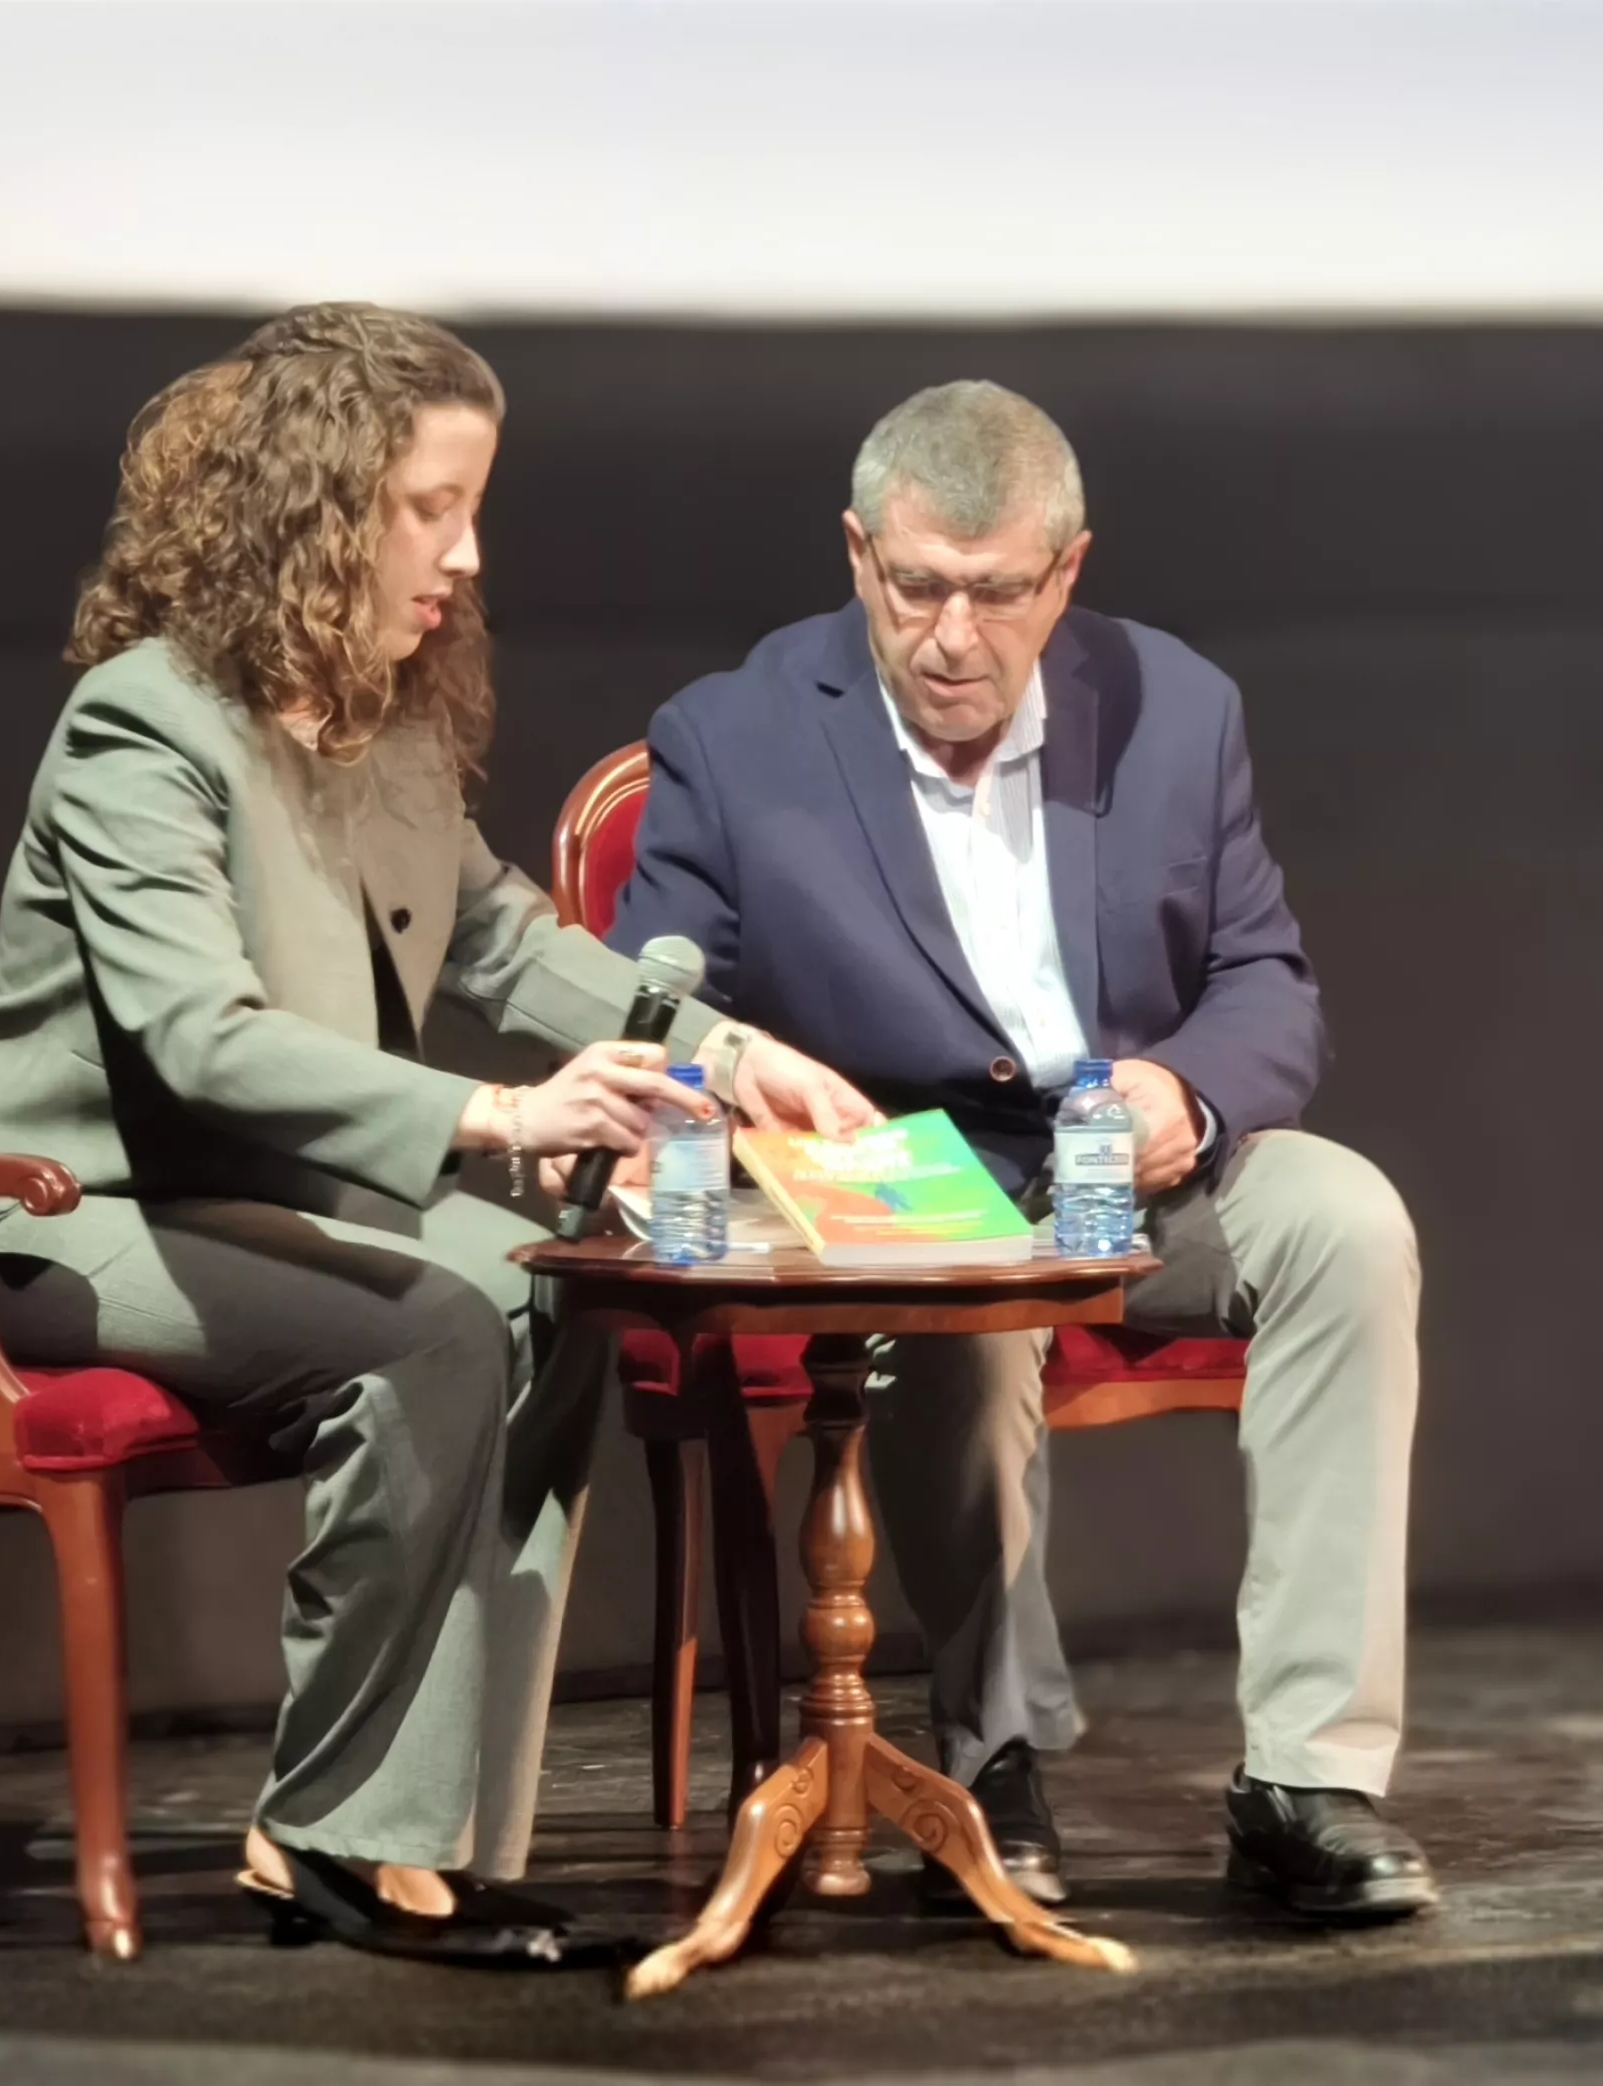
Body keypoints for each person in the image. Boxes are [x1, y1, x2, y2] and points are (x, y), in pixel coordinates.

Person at [0, 305, 871, 1965]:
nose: (467, 555)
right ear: (322, 503)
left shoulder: (381, 712)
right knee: (430, 1321)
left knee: (559, 1275)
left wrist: (731, 1051)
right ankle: (326, 1830)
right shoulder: (146, 725)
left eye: (476, 507)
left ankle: (436, 1834)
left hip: (235, 1201)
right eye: (435, 507)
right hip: (42, 1215)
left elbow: (499, 937)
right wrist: (494, 1111)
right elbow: (198, 1039)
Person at [606, 380, 1437, 1921]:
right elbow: (650, 1009)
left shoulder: (1176, 707)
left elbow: (1265, 975)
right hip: (902, 1180)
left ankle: (1309, 1779)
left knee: (1349, 1223)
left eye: (997, 594)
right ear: (859, 556)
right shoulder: (735, 735)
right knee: (961, 1317)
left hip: (1133, 1160)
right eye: (916, 585)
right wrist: (741, 1090)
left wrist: (1189, 1089)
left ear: (1066, 571)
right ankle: (992, 1756)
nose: (951, 635)